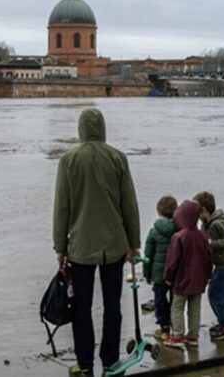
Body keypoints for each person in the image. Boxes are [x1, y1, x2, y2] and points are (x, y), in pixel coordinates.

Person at [53, 108, 141, 377]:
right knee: (113, 305)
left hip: (80, 247)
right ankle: (111, 361)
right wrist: (133, 243)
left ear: (80, 130)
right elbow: (129, 204)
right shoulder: (118, 158)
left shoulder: (68, 160)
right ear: (103, 128)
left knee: (82, 308)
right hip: (114, 245)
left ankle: (85, 363)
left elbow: (62, 207)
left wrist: (60, 246)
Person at [162, 200, 212, 349]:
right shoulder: (202, 236)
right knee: (195, 308)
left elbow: (172, 261)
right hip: (199, 279)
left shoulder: (178, 237)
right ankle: (193, 336)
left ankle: (177, 336)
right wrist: (208, 275)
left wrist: (168, 277)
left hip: (182, 280)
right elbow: (209, 258)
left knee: (177, 307)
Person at [193, 191, 224, 340]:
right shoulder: (205, 224)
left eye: (197, 213)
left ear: (204, 211)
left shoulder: (218, 223)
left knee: (217, 296)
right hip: (220, 265)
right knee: (214, 294)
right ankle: (223, 322)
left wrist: (212, 244)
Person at [142, 195, 178, 341]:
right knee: (176, 300)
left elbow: (148, 255)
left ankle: (164, 327)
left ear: (159, 212)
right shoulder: (179, 229)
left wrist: (147, 274)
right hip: (176, 273)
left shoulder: (154, 231)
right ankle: (177, 326)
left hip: (159, 274)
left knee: (159, 300)